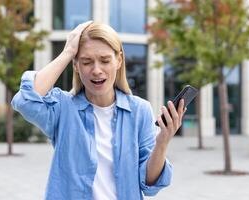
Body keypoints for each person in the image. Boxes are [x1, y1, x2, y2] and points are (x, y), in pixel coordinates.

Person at [11, 21, 186, 200]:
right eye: (86, 62)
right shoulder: (63, 108)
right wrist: (68, 52)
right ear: (76, 66)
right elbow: (25, 101)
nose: (96, 70)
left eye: (105, 60)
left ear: (119, 60)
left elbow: (149, 185)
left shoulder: (140, 111)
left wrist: (162, 142)